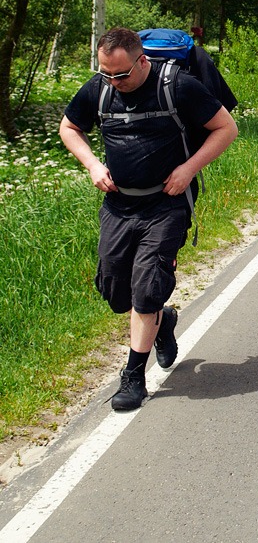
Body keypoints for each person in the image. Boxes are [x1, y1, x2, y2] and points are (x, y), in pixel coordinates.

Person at [59, 27, 238, 411]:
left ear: (143, 60)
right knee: (115, 292)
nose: (114, 82)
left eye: (121, 74)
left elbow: (226, 128)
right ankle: (164, 320)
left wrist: (188, 169)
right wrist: (91, 163)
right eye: (106, 73)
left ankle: (133, 377)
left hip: (166, 204)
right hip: (119, 205)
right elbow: (69, 127)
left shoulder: (180, 86)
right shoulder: (100, 88)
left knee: (147, 287)